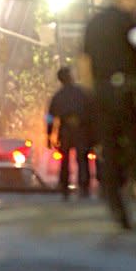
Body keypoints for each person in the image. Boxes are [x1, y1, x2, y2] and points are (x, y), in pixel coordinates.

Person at [79, 0, 136, 229]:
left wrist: (91, 94)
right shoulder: (129, 21)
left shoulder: (94, 23)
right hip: (125, 90)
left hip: (102, 91)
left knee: (108, 150)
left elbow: (85, 61)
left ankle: (116, 208)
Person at [46, 66, 93, 200]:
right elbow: (92, 114)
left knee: (65, 160)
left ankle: (65, 187)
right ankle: (83, 187)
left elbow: (50, 118)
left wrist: (49, 136)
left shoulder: (58, 96)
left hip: (66, 130)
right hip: (80, 130)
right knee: (81, 159)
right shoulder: (82, 93)